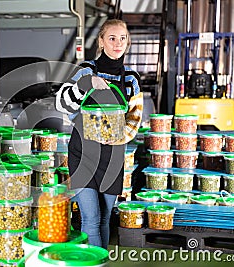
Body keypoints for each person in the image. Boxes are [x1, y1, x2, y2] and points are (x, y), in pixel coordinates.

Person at [55, 19, 143, 249]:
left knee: (105, 218)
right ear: (102, 42)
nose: (118, 43)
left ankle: (99, 261)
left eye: (122, 38)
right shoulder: (87, 69)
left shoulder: (131, 79)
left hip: (112, 156)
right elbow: (61, 104)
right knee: (91, 219)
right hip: (83, 153)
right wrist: (84, 84)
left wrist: (119, 137)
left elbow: (134, 119)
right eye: (112, 38)